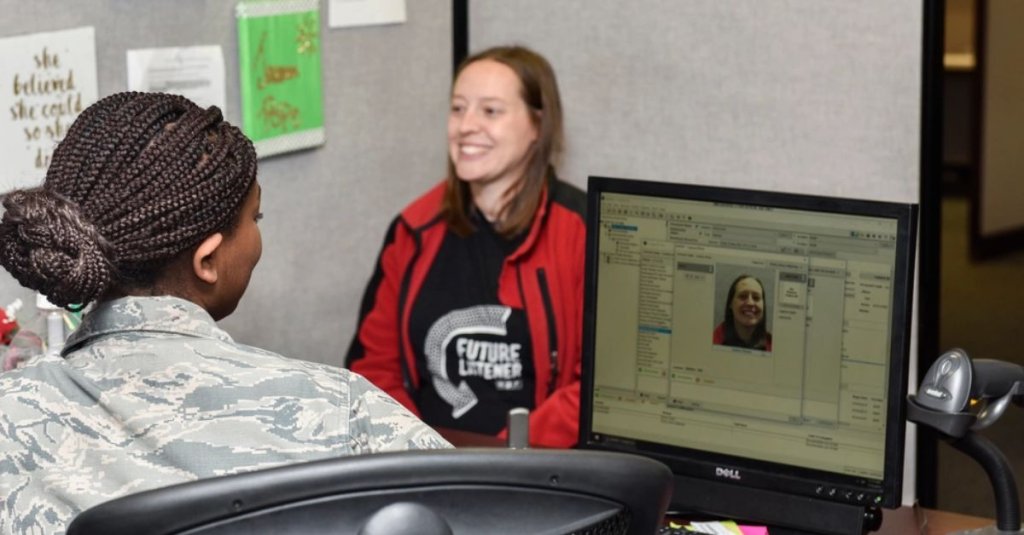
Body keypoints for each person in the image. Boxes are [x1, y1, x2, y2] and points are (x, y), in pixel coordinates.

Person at [0, 92, 450, 534]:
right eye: (256, 217)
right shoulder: (336, 408)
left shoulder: (10, 413)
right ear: (208, 261)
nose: (257, 236)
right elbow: (484, 512)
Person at [346, 45, 585, 448]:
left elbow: (597, 387)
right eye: (458, 109)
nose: (466, 126)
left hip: (541, 469)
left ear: (536, 126)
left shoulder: (581, 232)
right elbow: (373, 368)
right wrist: (419, 448)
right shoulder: (413, 230)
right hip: (425, 464)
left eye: (490, 111)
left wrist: (508, 454)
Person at [713, 274, 772, 351]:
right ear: (730, 303)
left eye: (756, 298)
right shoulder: (712, 341)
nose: (750, 303)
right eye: (743, 296)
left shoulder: (773, 346)